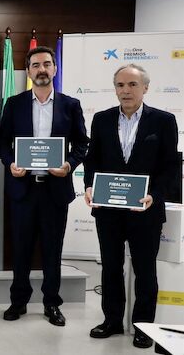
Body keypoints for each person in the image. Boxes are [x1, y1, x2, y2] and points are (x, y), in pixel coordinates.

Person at [83, 64, 179, 349]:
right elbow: (92, 159)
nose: (125, 90)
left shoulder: (163, 121)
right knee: (111, 267)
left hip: (145, 211)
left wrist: (154, 195)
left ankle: (144, 326)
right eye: (120, 85)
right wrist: (89, 185)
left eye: (132, 85)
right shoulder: (101, 119)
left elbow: (170, 167)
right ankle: (112, 320)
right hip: (108, 210)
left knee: (145, 270)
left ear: (145, 88)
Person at [0, 46, 88, 326]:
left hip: (55, 190)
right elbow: (2, 142)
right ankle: (18, 301)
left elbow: (82, 143)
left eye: (47, 64)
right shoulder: (14, 104)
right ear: (28, 71)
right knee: (21, 249)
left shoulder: (70, 105)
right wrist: (10, 163)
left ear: (55, 69)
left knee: (52, 250)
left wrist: (69, 165)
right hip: (23, 189)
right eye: (36, 65)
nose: (42, 69)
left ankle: (52, 303)